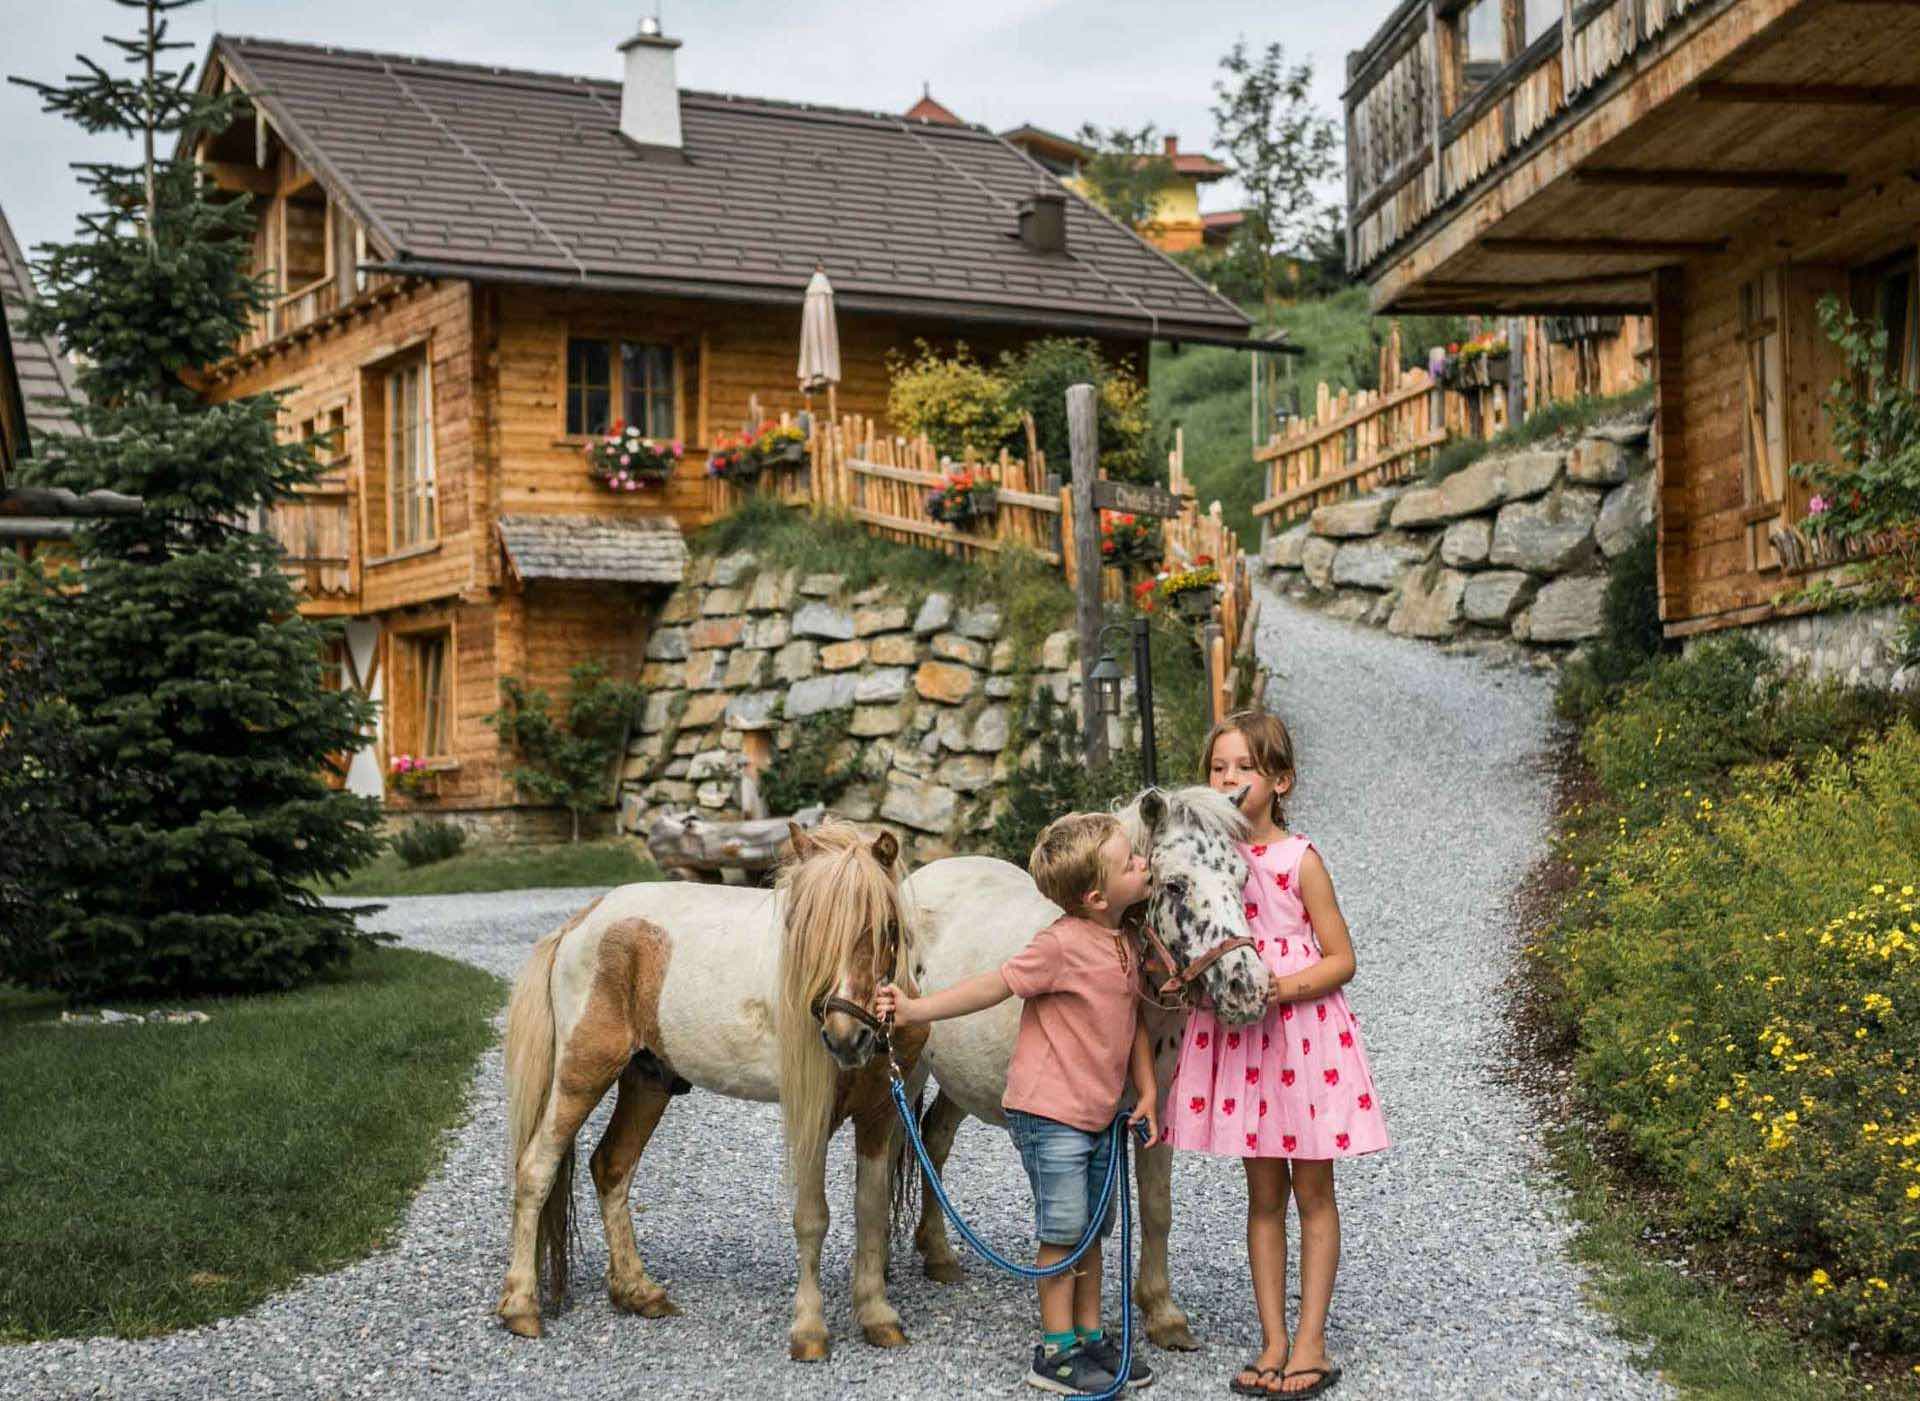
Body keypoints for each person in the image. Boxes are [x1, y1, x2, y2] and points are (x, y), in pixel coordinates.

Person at [875, 811, 1160, 1395]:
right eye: (1131, 860)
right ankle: (1055, 1351)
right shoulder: (1058, 945)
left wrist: (1149, 1089)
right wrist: (916, 1009)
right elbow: (995, 984)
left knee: (1091, 1231)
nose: (1145, 863)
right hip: (1051, 1113)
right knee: (1062, 1230)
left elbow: (1131, 1021)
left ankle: (1089, 1336)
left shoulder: (1126, 940)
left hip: (1100, 1114)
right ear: (1096, 894)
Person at [1164, 710, 1389, 1399]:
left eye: (1245, 768)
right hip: (1243, 1042)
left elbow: (1342, 958)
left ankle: (1312, 1340)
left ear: (1281, 779)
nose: (1228, 779)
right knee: (1263, 1195)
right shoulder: (1204, 860)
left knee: (1312, 1191)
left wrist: (1277, 988)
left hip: (1301, 1035)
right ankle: (1271, 1337)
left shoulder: (1300, 858)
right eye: (1217, 768)